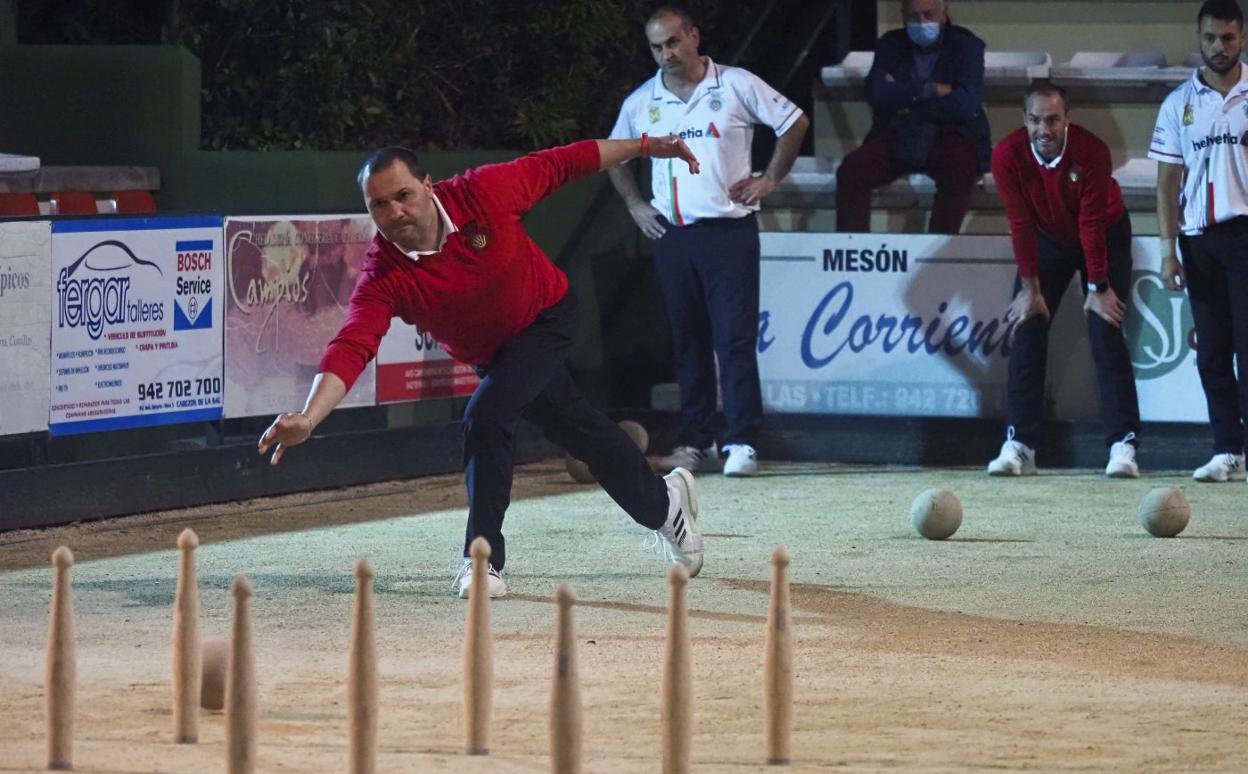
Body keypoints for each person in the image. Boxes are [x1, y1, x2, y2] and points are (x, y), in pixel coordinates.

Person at [257, 136, 708, 599]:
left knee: (486, 415)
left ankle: (482, 559)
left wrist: (650, 145)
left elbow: (565, 162)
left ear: (428, 186)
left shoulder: (484, 192)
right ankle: (664, 504)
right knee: (580, 431)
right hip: (496, 354)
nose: (394, 212)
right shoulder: (383, 274)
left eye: (403, 195)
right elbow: (353, 344)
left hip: (547, 317)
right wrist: (309, 418)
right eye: (378, 205)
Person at [607, 5, 810, 477]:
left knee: (733, 339)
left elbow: (794, 122)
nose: (666, 54)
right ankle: (697, 440)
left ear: (694, 37)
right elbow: (614, 154)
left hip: (728, 231)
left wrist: (769, 179)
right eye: (656, 47)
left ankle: (742, 440)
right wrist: (636, 204)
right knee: (688, 342)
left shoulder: (736, 84)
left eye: (673, 42)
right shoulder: (643, 101)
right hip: (673, 235)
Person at [986, 81, 1142, 478]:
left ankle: (1122, 445)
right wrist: (1031, 291)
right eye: (1036, 120)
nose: (1045, 130)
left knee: (1105, 325)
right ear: (1025, 120)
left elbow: (1091, 225)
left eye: (1053, 120)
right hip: (1047, 238)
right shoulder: (1007, 155)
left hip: (1105, 233)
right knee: (1028, 323)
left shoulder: (1091, 151)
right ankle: (1020, 444)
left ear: (1067, 119)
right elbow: (1019, 223)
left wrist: (1098, 288)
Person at [1151, 0, 1248, 483]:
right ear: (1199, 38)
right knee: (1212, 351)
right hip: (1198, 240)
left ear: (1243, 38)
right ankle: (1228, 449)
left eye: (1228, 37)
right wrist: (1168, 249)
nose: (1219, 47)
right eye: (1211, 38)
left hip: (1246, 234)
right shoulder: (1178, 104)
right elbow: (1167, 183)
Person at [835, 0, 990, 234]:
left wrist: (904, 97)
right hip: (899, 133)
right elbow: (876, 93)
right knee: (852, 169)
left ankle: (937, 254)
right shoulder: (891, 44)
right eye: (913, 16)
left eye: (928, 14)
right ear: (903, 16)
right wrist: (930, 90)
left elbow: (964, 104)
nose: (921, 23)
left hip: (950, 133)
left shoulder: (967, 46)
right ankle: (852, 250)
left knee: (959, 168)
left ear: (943, 12)